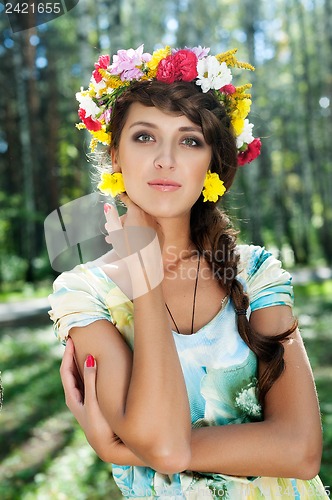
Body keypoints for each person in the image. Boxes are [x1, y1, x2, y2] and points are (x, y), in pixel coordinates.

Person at [48, 45, 328, 499]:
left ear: (211, 164)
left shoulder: (255, 273)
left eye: (190, 140)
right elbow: (165, 444)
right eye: (144, 136)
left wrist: (126, 451)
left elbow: (300, 451)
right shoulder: (84, 294)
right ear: (115, 156)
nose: (165, 159)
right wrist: (145, 280)